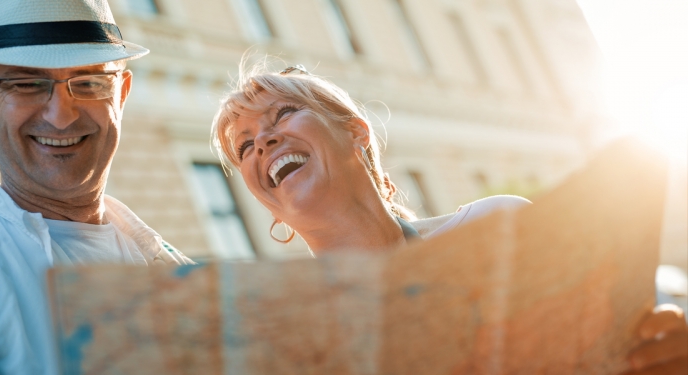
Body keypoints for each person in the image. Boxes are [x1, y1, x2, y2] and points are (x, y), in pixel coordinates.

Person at [211, 63, 688, 374]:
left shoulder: (499, 228)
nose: (264, 143)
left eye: (284, 114)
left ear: (356, 133)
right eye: (245, 145)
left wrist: (662, 355)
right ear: (267, 203)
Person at [0, 0, 192, 374]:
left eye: (89, 82)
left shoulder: (185, 279)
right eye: (25, 83)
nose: (61, 116)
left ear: (120, 95)